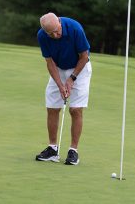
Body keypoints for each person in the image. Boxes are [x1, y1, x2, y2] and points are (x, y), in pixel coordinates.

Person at [35, 12, 92, 165]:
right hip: (58, 68)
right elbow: (50, 62)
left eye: (56, 31)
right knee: (52, 107)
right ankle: (52, 149)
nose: (55, 35)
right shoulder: (42, 36)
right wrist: (60, 84)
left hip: (79, 68)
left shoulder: (74, 28)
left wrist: (72, 79)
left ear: (59, 22)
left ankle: (73, 151)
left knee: (75, 109)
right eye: (50, 33)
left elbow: (84, 57)